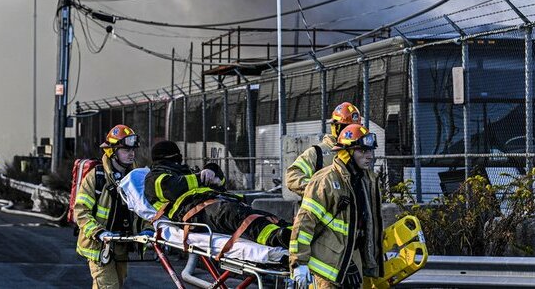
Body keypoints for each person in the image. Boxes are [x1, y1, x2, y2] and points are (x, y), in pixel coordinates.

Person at [144, 140, 291, 249]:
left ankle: (292, 231)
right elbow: (172, 188)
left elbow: (221, 182)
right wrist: (200, 177)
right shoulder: (154, 177)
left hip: (213, 205)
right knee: (238, 217)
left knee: (261, 215)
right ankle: (279, 239)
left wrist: (211, 170)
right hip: (196, 212)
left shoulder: (184, 172)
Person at [289, 124, 383, 289]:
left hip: (351, 259)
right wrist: (299, 262)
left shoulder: (367, 180)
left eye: (370, 151)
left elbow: (368, 225)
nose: (369, 156)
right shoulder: (326, 181)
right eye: (362, 151)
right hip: (327, 266)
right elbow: (305, 223)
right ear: (347, 153)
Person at [74, 124, 139, 289]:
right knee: (109, 287)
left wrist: (147, 230)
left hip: (122, 246)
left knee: (117, 284)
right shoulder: (96, 177)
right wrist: (99, 233)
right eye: (126, 150)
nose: (131, 154)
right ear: (112, 151)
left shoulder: (135, 178)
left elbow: (144, 210)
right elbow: (81, 212)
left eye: (133, 150)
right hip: (99, 247)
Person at [286, 102, 362, 197]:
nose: (351, 132)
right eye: (346, 128)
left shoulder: (359, 153)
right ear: (335, 127)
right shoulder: (317, 153)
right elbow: (292, 177)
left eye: (356, 128)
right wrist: (320, 191)